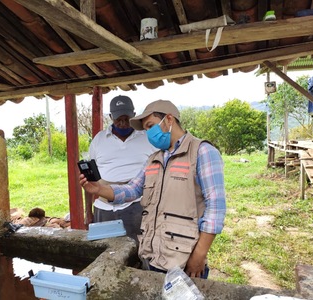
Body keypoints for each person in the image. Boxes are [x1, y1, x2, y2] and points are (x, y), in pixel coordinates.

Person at [80, 99, 226, 279]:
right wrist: (98, 189)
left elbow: (216, 208)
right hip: (154, 255)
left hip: (184, 258)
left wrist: (199, 255)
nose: (149, 134)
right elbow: (132, 190)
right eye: (146, 129)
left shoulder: (202, 151)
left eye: (150, 126)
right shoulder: (154, 158)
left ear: (169, 120)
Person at [89, 95, 156, 244]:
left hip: (137, 204)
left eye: (127, 118)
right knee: (104, 249)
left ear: (134, 114)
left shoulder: (147, 138)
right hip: (104, 206)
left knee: (138, 249)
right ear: (111, 116)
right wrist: (88, 212)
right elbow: (90, 177)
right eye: (119, 119)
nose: (123, 123)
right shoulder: (99, 140)